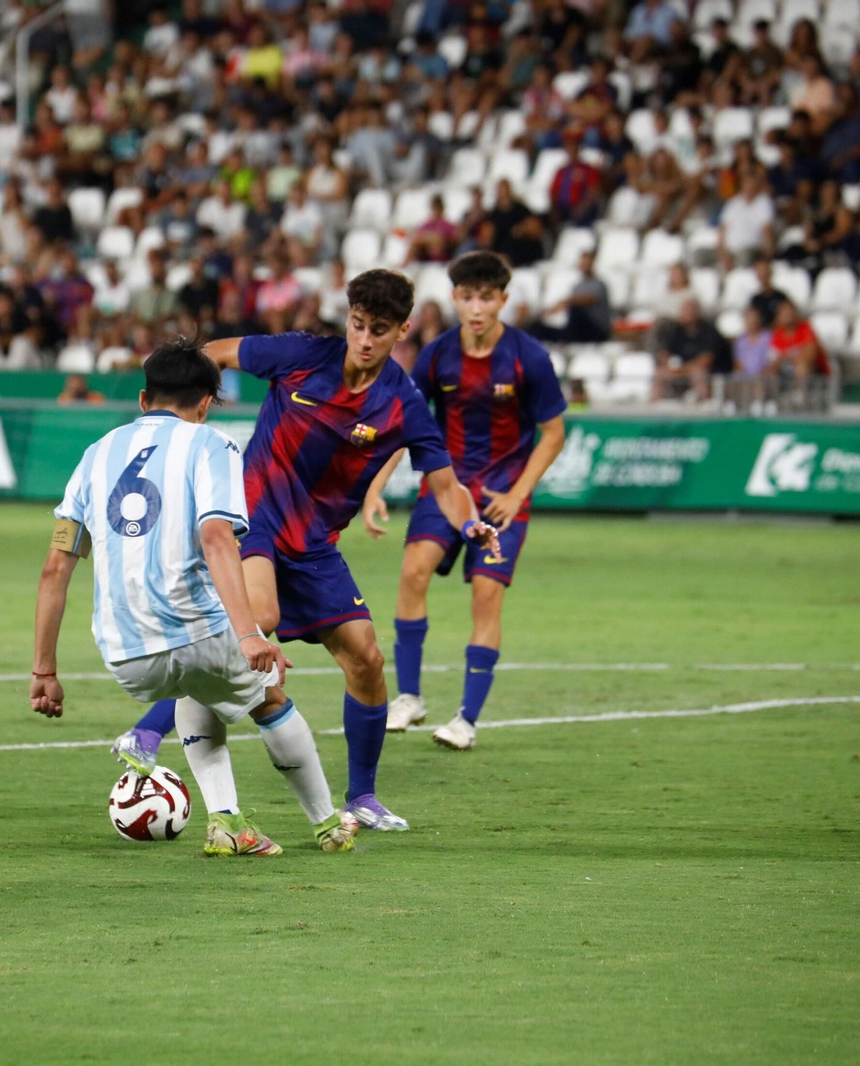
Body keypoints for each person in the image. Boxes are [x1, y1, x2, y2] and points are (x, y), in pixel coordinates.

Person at [112, 270, 501, 831]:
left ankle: (362, 798)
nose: (364, 339)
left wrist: (470, 527)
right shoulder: (301, 354)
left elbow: (446, 485)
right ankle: (148, 730)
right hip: (254, 514)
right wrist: (185, 419)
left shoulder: (404, 405)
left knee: (366, 658)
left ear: (403, 331)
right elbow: (214, 353)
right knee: (259, 618)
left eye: (379, 330)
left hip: (316, 544)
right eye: (358, 324)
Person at [30, 339, 355, 857]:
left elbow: (55, 567)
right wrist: (250, 635)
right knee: (269, 691)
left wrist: (44, 671)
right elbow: (217, 538)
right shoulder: (213, 446)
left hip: (125, 654)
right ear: (206, 403)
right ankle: (329, 825)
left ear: (143, 399)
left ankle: (227, 822)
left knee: (196, 687)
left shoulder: (95, 455)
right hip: (195, 630)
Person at [364, 252, 567, 750]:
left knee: (485, 597)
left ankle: (466, 720)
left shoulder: (528, 357)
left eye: (486, 297)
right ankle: (409, 697)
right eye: (467, 297)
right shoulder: (437, 354)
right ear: (455, 298)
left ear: (503, 299)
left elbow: (553, 434)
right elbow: (405, 421)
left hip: (502, 497)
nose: (476, 308)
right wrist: (374, 487)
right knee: (412, 573)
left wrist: (518, 495)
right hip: (446, 487)